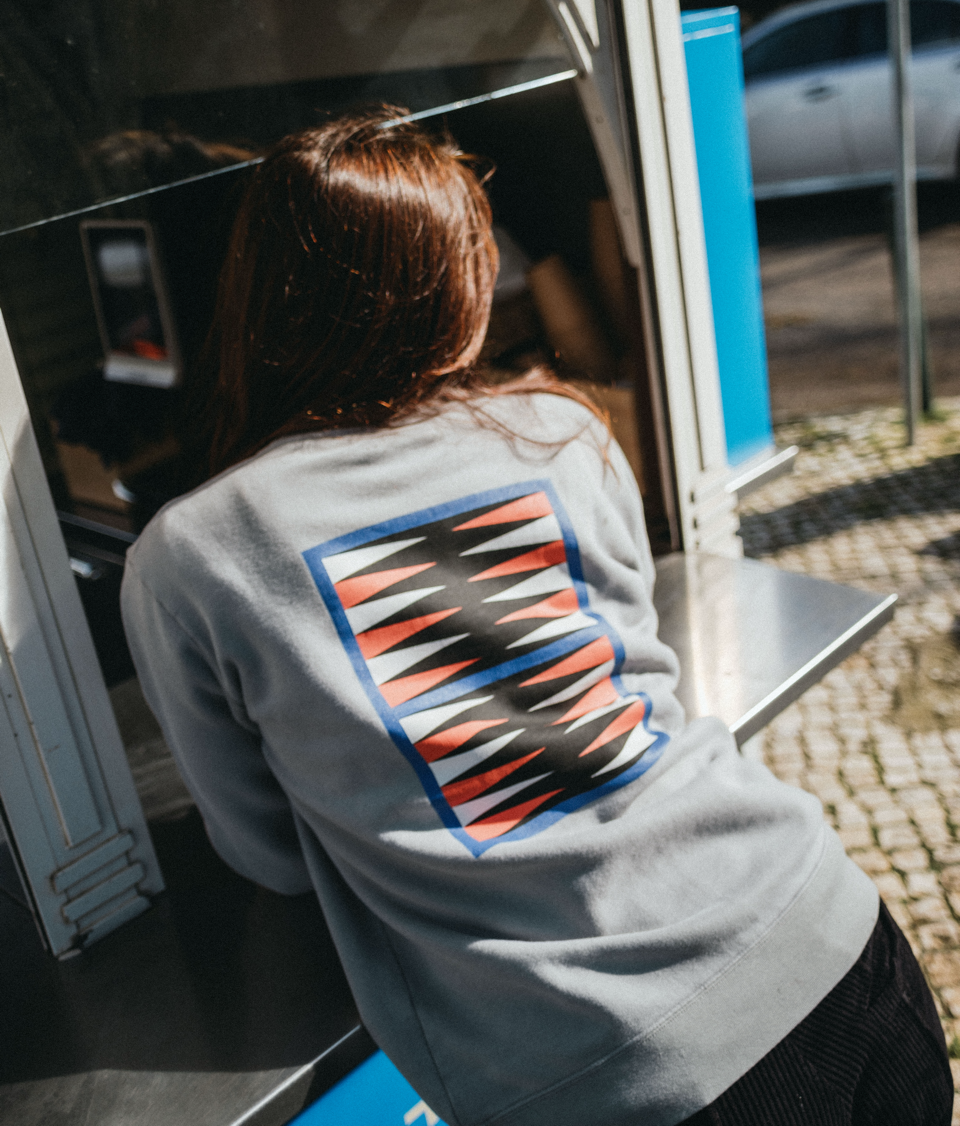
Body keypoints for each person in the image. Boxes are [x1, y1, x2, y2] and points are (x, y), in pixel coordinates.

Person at [120, 110, 952, 1126]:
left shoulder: (189, 555)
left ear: (262, 302)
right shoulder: (560, 428)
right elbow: (637, 682)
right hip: (826, 936)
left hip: (612, 1074)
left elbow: (269, 854)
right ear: (460, 296)